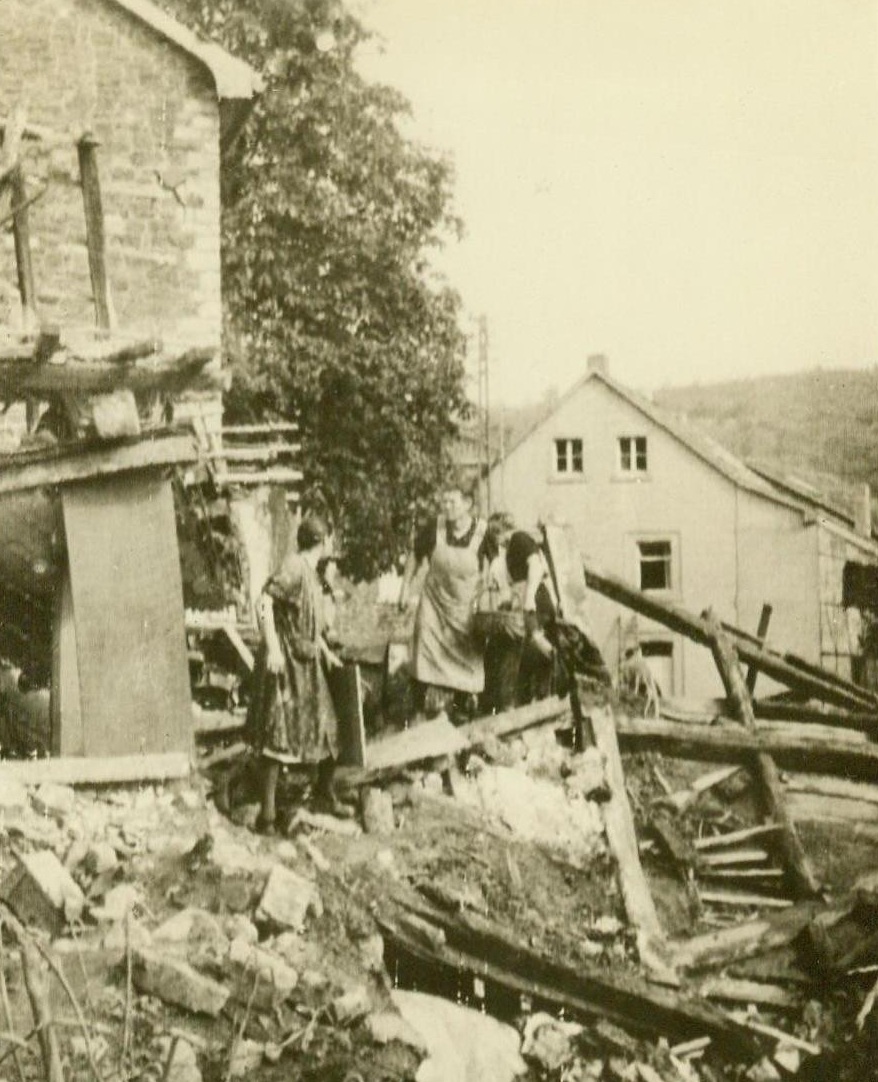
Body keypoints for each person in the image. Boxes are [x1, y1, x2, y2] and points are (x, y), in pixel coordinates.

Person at [246, 512, 349, 834]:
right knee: (278, 735)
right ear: (323, 541)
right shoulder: (293, 567)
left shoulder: (312, 572)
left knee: (329, 728)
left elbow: (308, 621)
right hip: (287, 662)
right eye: (330, 537)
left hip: (307, 659)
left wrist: (327, 652)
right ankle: (268, 816)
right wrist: (273, 648)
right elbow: (264, 602)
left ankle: (323, 794)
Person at [398, 481, 488, 720]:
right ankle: (416, 710)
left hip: (464, 610)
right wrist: (405, 588)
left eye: (452, 502)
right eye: (444, 501)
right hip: (434, 602)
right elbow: (415, 555)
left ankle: (460, 712)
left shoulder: (483, 532)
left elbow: (497, 567)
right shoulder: (435, 528)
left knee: (465, 660)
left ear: (468, 504)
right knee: (422, 649)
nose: (446, 507)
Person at [480, 514, 559, 712]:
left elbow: (535, 566)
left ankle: (561, 663)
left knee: (536, 640)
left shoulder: (519, 538)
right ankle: (531, 700)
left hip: (536, 601)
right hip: (526, 600)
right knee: (526, 655)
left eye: (494, 534)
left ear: (499, 531)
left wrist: (530, 597)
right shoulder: (509, 551)